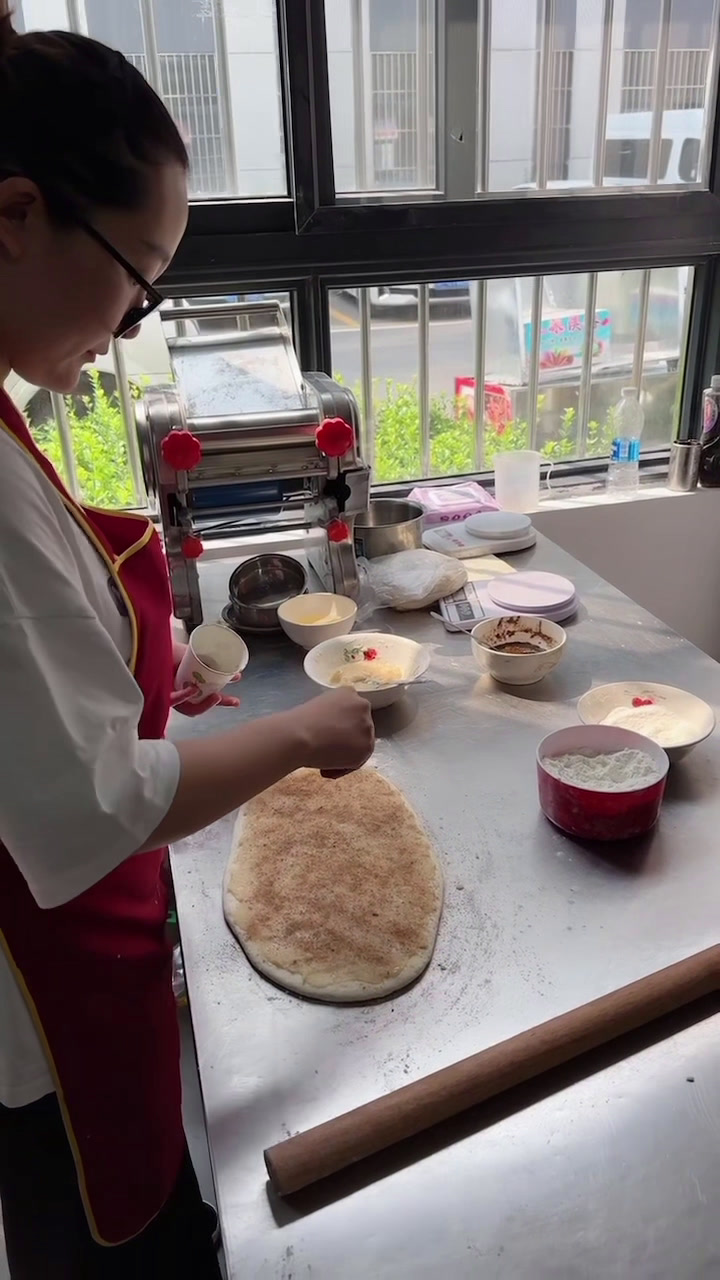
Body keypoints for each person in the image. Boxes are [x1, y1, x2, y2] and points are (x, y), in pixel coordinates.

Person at [0, 9, 375, 1277]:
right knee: (107, 1237)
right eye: (136, 273)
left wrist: (148, 682)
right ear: (16, 215)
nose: (132, 318)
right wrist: (302, 730)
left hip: (70, 946)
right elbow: (104, 801)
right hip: (38, 1008)